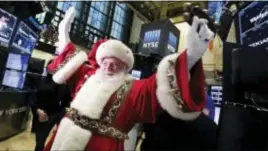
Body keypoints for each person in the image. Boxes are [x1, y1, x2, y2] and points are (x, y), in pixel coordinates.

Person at [43, 6, 214, 151]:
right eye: (105, 62)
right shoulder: (87, 77)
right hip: (60, 140)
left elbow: (160, 83)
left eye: (115, 64)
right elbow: (69, 56)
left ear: (125, 68)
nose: (109, 67)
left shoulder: (133, 90)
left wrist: (191, 55)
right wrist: (63, 32)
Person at [30, 60, 71, 151]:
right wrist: (38, 110)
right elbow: (32, 98)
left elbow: (66, 103)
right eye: (52, 65)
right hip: (42, 114)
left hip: (57, 114)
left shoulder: (64, 85)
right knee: (40, 143)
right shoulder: (40, 80)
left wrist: (62, 120)